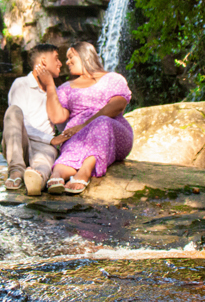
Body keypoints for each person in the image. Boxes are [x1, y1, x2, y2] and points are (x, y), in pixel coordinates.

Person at [35, 41, 133, 194]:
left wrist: (84, 125)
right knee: (70, 142)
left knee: (102, 122)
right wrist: (49, 85)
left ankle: (86, 170)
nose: (66, 62)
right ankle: (58, 175)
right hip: (78, 134)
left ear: (85, 56)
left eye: (70, 56)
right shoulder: (66, 88)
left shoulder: (113, 78)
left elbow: (118, 105)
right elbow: (57, 117)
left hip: (113, 132)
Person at [3, 42, 62, 195]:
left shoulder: (54, 90)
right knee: (13, 111)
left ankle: (37, 180)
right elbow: (22, 125)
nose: (60, 63)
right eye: (56, 58)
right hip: (19, 142)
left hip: (44, 147)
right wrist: (50, 139)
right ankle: (16, 171)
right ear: (43, 61)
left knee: (43, 164)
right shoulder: (20, 84)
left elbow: (62, 124)